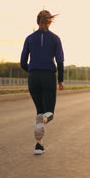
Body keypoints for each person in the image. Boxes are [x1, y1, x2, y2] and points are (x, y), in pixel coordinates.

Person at [20, 10, 64, 155]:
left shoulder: (29, 38)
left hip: (33, 77)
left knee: (39, 112)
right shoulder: (55, 39)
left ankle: (39, 145)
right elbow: (59, 61)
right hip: (48, 77)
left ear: (37, 21)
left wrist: (33, 71)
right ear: (49, 22)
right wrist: (60, 80)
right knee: (48, 113)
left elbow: (22, 62)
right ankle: (42, 129)